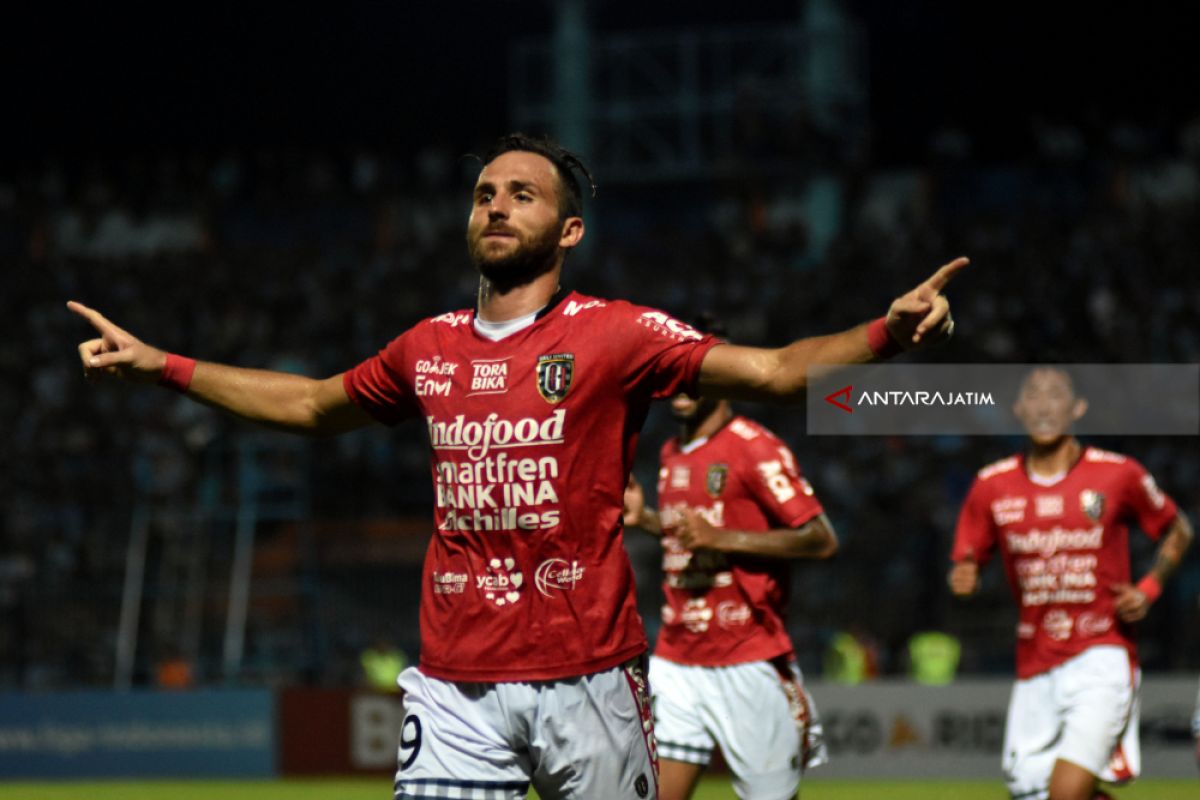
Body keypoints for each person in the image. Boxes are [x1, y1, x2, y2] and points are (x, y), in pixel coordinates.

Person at [71, 132, 965, 800]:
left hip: (592, 677)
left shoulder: (618, 334)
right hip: (455, 680)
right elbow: (310, 404)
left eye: (523, 195)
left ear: (568, 228)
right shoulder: (427, 346)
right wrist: (164, 365)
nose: (496, 205)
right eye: (484, 193)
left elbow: (773, 370)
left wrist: (887, 333)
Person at [948, 366, 1193, 800]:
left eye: (1056, 395)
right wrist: (963, 576)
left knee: (1065, 793)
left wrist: (1149, 588)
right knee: (1031, 792)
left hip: (1101, 654)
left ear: (1078, 408)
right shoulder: (992, 485)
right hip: (1034, 660)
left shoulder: (1118, 474)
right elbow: (966, 562)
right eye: (1034, 396)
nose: (1044, 405)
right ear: (1018, 409)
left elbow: (1178, 529)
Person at [622, 318, 837, 800]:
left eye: (692, 373)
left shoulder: (755, 448)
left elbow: (820, 538)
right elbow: (695, 537)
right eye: (673, 372)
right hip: (678, 656)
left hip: (747, 657)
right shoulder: (672, 452)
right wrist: (649, 521)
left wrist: (723, 537)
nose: (679, 384)